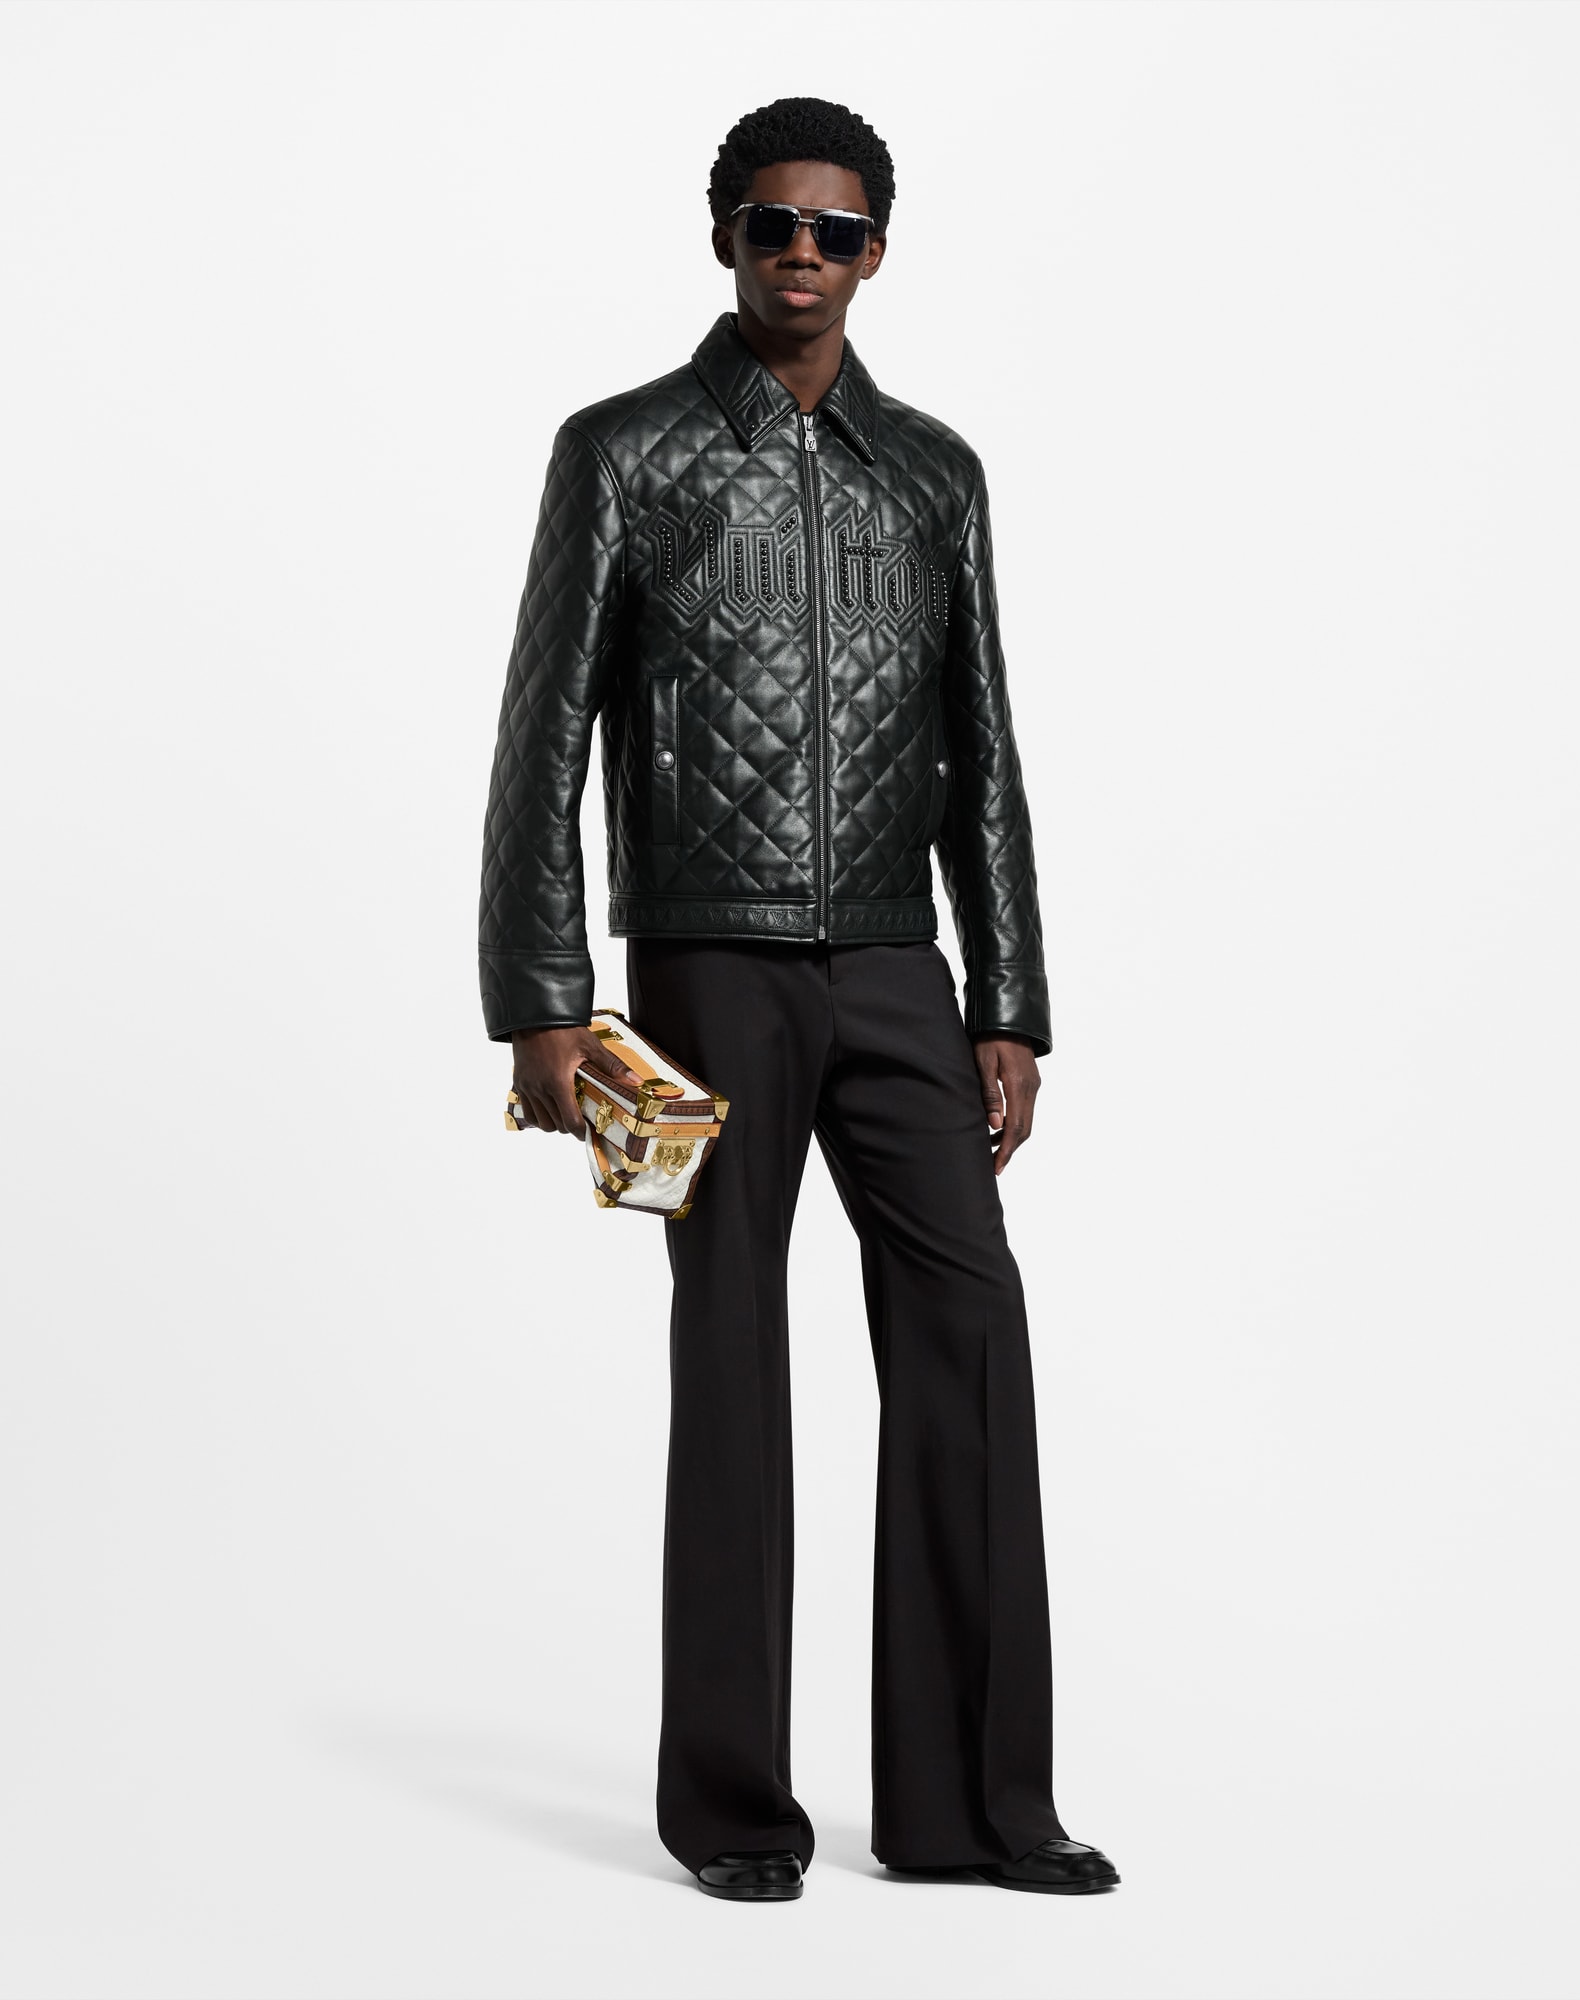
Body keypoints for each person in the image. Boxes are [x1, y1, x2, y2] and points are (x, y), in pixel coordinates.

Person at [478, 96, 1119, 1903]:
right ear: (727, 240)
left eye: (837, 232)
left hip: (903, 965)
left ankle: (972, 1810)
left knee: (969, 1327)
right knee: (731, 1352)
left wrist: (1012, 1000)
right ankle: (735, 1808)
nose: (803, 257)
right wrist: (541, 1001)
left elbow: (985, 750)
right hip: (699, 969)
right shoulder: (621, 452)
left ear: (878, 254)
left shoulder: (935, 473)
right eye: (774, 225)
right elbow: (541, 738)